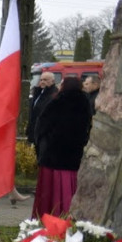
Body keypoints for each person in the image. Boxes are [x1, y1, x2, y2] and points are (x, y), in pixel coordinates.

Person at [33, 76, 93, 217]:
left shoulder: (56, 101)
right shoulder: (85, 103)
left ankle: (47, 218)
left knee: (49, 194)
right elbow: (87, 128)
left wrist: (40, 145)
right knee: (68, 189)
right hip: (73, 157)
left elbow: (42, 126)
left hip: (52, 156)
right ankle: (68, 218)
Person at [26, 70, 57, 143]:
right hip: (34, 131)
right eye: (41, 80)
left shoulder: (54, 95)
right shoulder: (38, 93)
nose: (42, 82)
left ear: (52, 81)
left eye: (45, 80)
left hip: (44, 134)